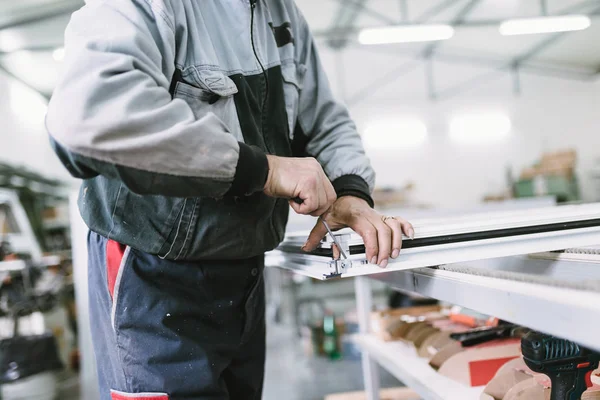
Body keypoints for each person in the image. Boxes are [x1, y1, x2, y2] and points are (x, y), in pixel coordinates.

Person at [46, 1, 414, 399]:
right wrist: (266, 170)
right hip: (154, 279)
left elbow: (325, 119)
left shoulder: (280, 12)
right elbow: (89, 115)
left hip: (244, 276)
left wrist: (351, 193)